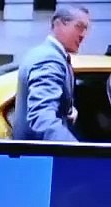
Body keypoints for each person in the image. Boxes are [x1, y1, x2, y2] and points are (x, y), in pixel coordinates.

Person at [13, 5, 90, 142]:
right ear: (59, 24)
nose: (83, 35)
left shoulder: (45, 53)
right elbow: (42, 118)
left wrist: (68, 111)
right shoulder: (49, 58)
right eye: (79, 27)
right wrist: (78, 151)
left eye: (85, 29)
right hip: (41, 154)